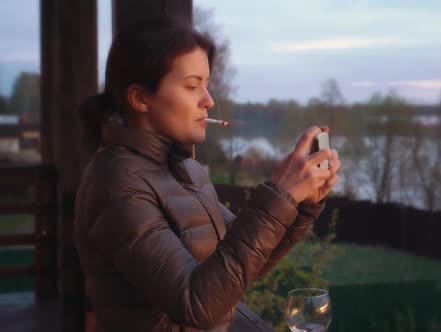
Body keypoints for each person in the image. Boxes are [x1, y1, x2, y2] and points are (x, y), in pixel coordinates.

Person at [73, 17, 341, 332]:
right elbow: (197, 304)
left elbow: (242, 266)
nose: (208, 100)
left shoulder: (187, 168)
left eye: (206, 83)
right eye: (191, 85)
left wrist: (300, 205)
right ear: (140, 98)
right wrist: (280, 195)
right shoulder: (116, 183)